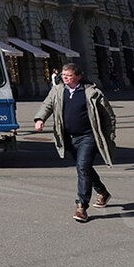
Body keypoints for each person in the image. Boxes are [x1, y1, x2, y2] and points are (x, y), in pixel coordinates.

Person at [33, 63, 116, 223]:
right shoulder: (58, 90)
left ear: (78, 76)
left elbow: (108, 115)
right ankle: (102, 192)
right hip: (68, 137)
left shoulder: (92, 92)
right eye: (63, 74)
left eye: (68, 75)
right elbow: (47, 104)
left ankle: (82, 207)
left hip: (88, 136)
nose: (64, 77)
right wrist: (40, 118)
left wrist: (110, 135)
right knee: (83, 167)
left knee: (83, 168)